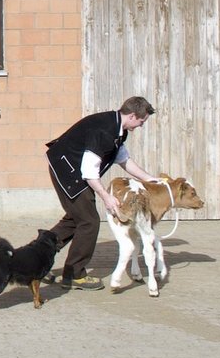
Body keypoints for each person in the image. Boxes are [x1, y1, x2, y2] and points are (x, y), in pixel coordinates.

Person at [44, 96, 159, 289]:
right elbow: (89, 171)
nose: (141, 125)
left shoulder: (118, 130)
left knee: (75, 219)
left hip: (74, 170)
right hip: (67, 170)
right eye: (141, 121)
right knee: (89, 221)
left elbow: (124, 160)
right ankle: (74, 275)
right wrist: (106, 197)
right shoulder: (104, 131)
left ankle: (33, 260)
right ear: (132, 116)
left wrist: (150, 179)